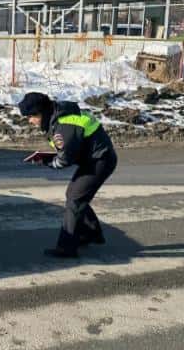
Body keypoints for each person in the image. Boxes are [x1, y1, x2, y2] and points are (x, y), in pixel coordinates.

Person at [18, 92, 118, 259]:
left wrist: (47, 162)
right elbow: (70, 150)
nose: (30, 121)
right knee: (74, 195)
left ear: (40, 112)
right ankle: (91, 233)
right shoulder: (58, 114)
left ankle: (67, 247)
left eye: (31, 116)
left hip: (100, 160)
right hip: (95, 158)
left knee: (75, 199)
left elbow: (65, 160)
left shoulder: (63, 125)